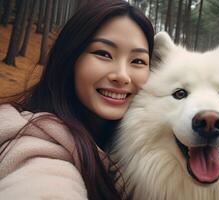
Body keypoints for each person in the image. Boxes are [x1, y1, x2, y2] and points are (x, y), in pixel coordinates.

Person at [0, 1, 154, 199]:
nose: (122, 76)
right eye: (103, 54)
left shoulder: (139, 152)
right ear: (70, 57)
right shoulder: (36, 147)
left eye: (138, 61)